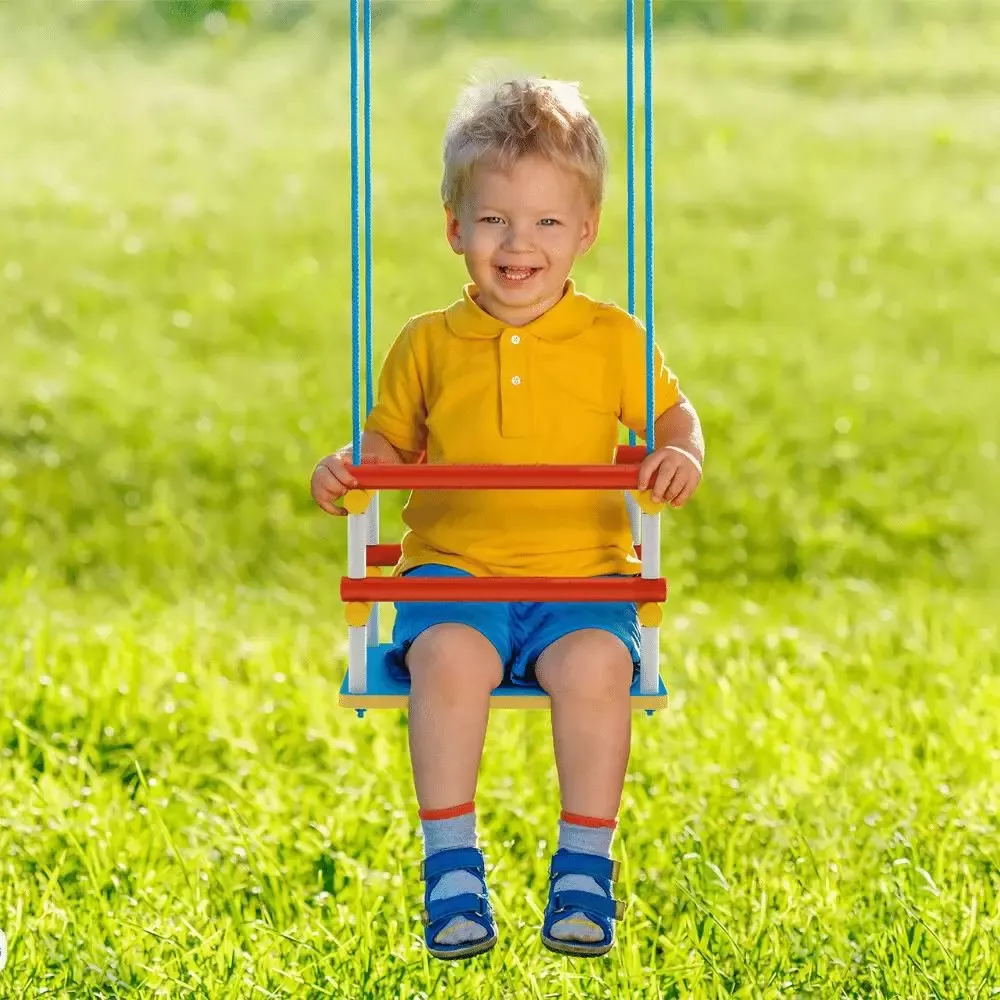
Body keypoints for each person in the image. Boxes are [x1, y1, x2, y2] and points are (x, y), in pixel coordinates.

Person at [311, 76, 704, 960]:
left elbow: (675, 418)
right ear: (455, 228)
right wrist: (349, 464)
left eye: (547, 223)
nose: (518, 245)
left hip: (584, 581)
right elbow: (388, 441)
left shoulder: (614, 339)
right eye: (494, 221)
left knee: (604, 664)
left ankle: (584, 865)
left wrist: (681, 453)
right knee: (447, 659)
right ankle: (451, 866)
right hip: (455, 572)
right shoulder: (427, 341)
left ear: (587, 231)